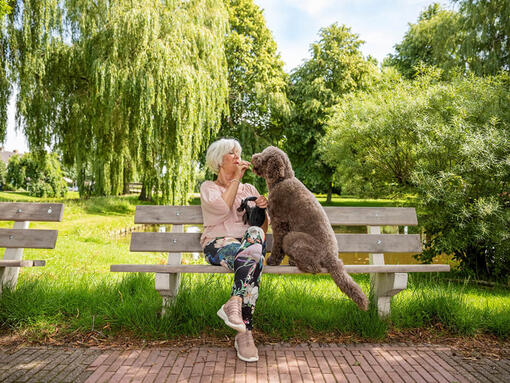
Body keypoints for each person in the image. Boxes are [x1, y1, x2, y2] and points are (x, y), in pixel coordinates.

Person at [200, 138, 269, 362]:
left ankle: (234, 303)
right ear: (219, 161)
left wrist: (261, 210)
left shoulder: (249, 188)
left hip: (247, 244)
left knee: (255, 239)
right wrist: (236, 179)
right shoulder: (208, 188)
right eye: (232, 154)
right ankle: (245, 333)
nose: (238, 158)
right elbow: (220, 211)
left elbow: (261, 229)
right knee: (252, 260)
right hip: (218, 243)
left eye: (239, 153)